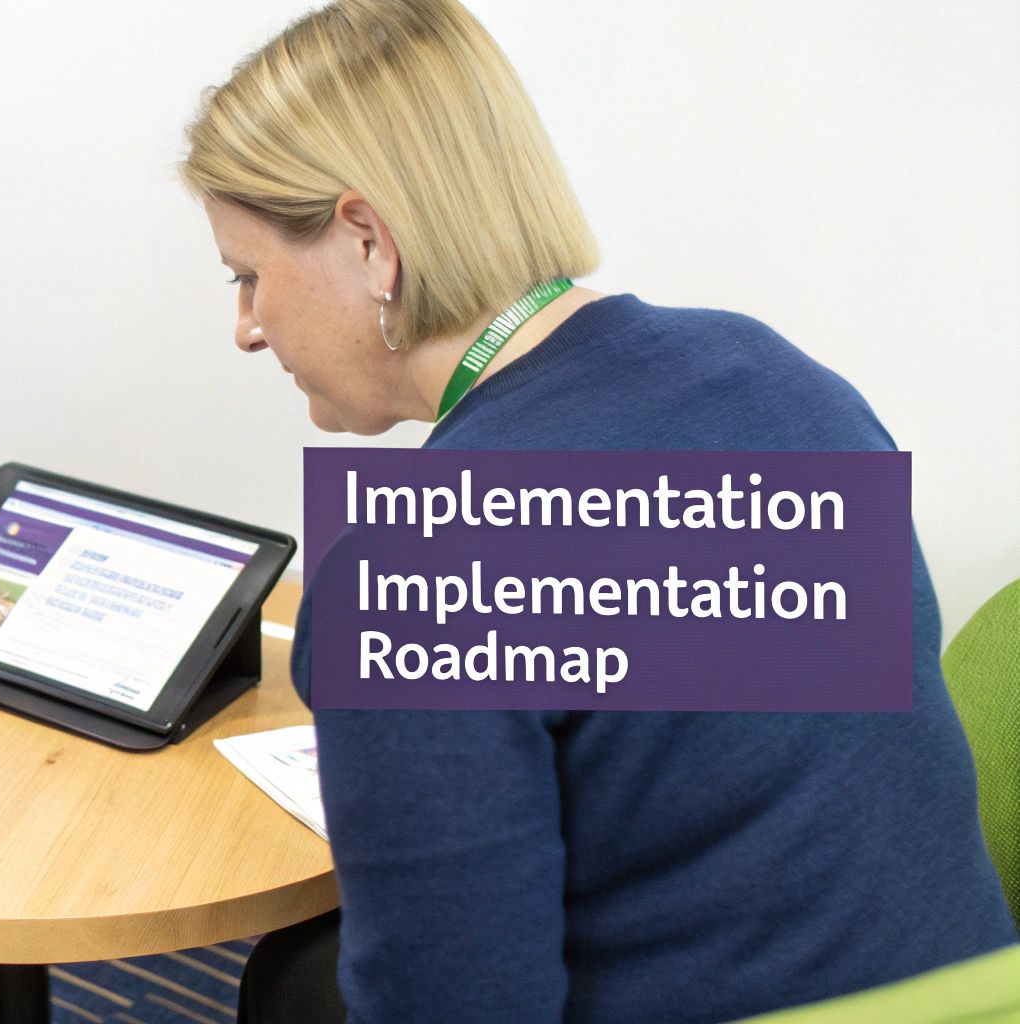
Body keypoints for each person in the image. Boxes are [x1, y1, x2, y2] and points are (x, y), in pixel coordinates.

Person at [179, 1, 1018, 1021]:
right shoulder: (774, 372)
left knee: (293, 980)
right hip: (966, 995)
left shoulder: (419, 569)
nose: (244, 328)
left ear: (366, 241)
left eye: (247, 274)